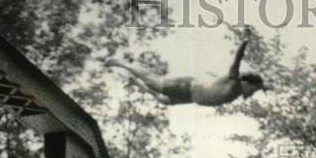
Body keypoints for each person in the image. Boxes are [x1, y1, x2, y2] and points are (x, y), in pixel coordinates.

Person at [106, 34, 266, 107]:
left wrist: (264, 86)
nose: (252, 94)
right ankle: (123, 64)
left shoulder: (238, 91)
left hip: (190, 97)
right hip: (189, 87)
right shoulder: (234, 83)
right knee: (154, 82)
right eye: (253, 90)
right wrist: (244, 41)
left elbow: (261, 85)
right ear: (247, 83)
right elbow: (236, 62)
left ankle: (136, 83)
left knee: (163, 101)